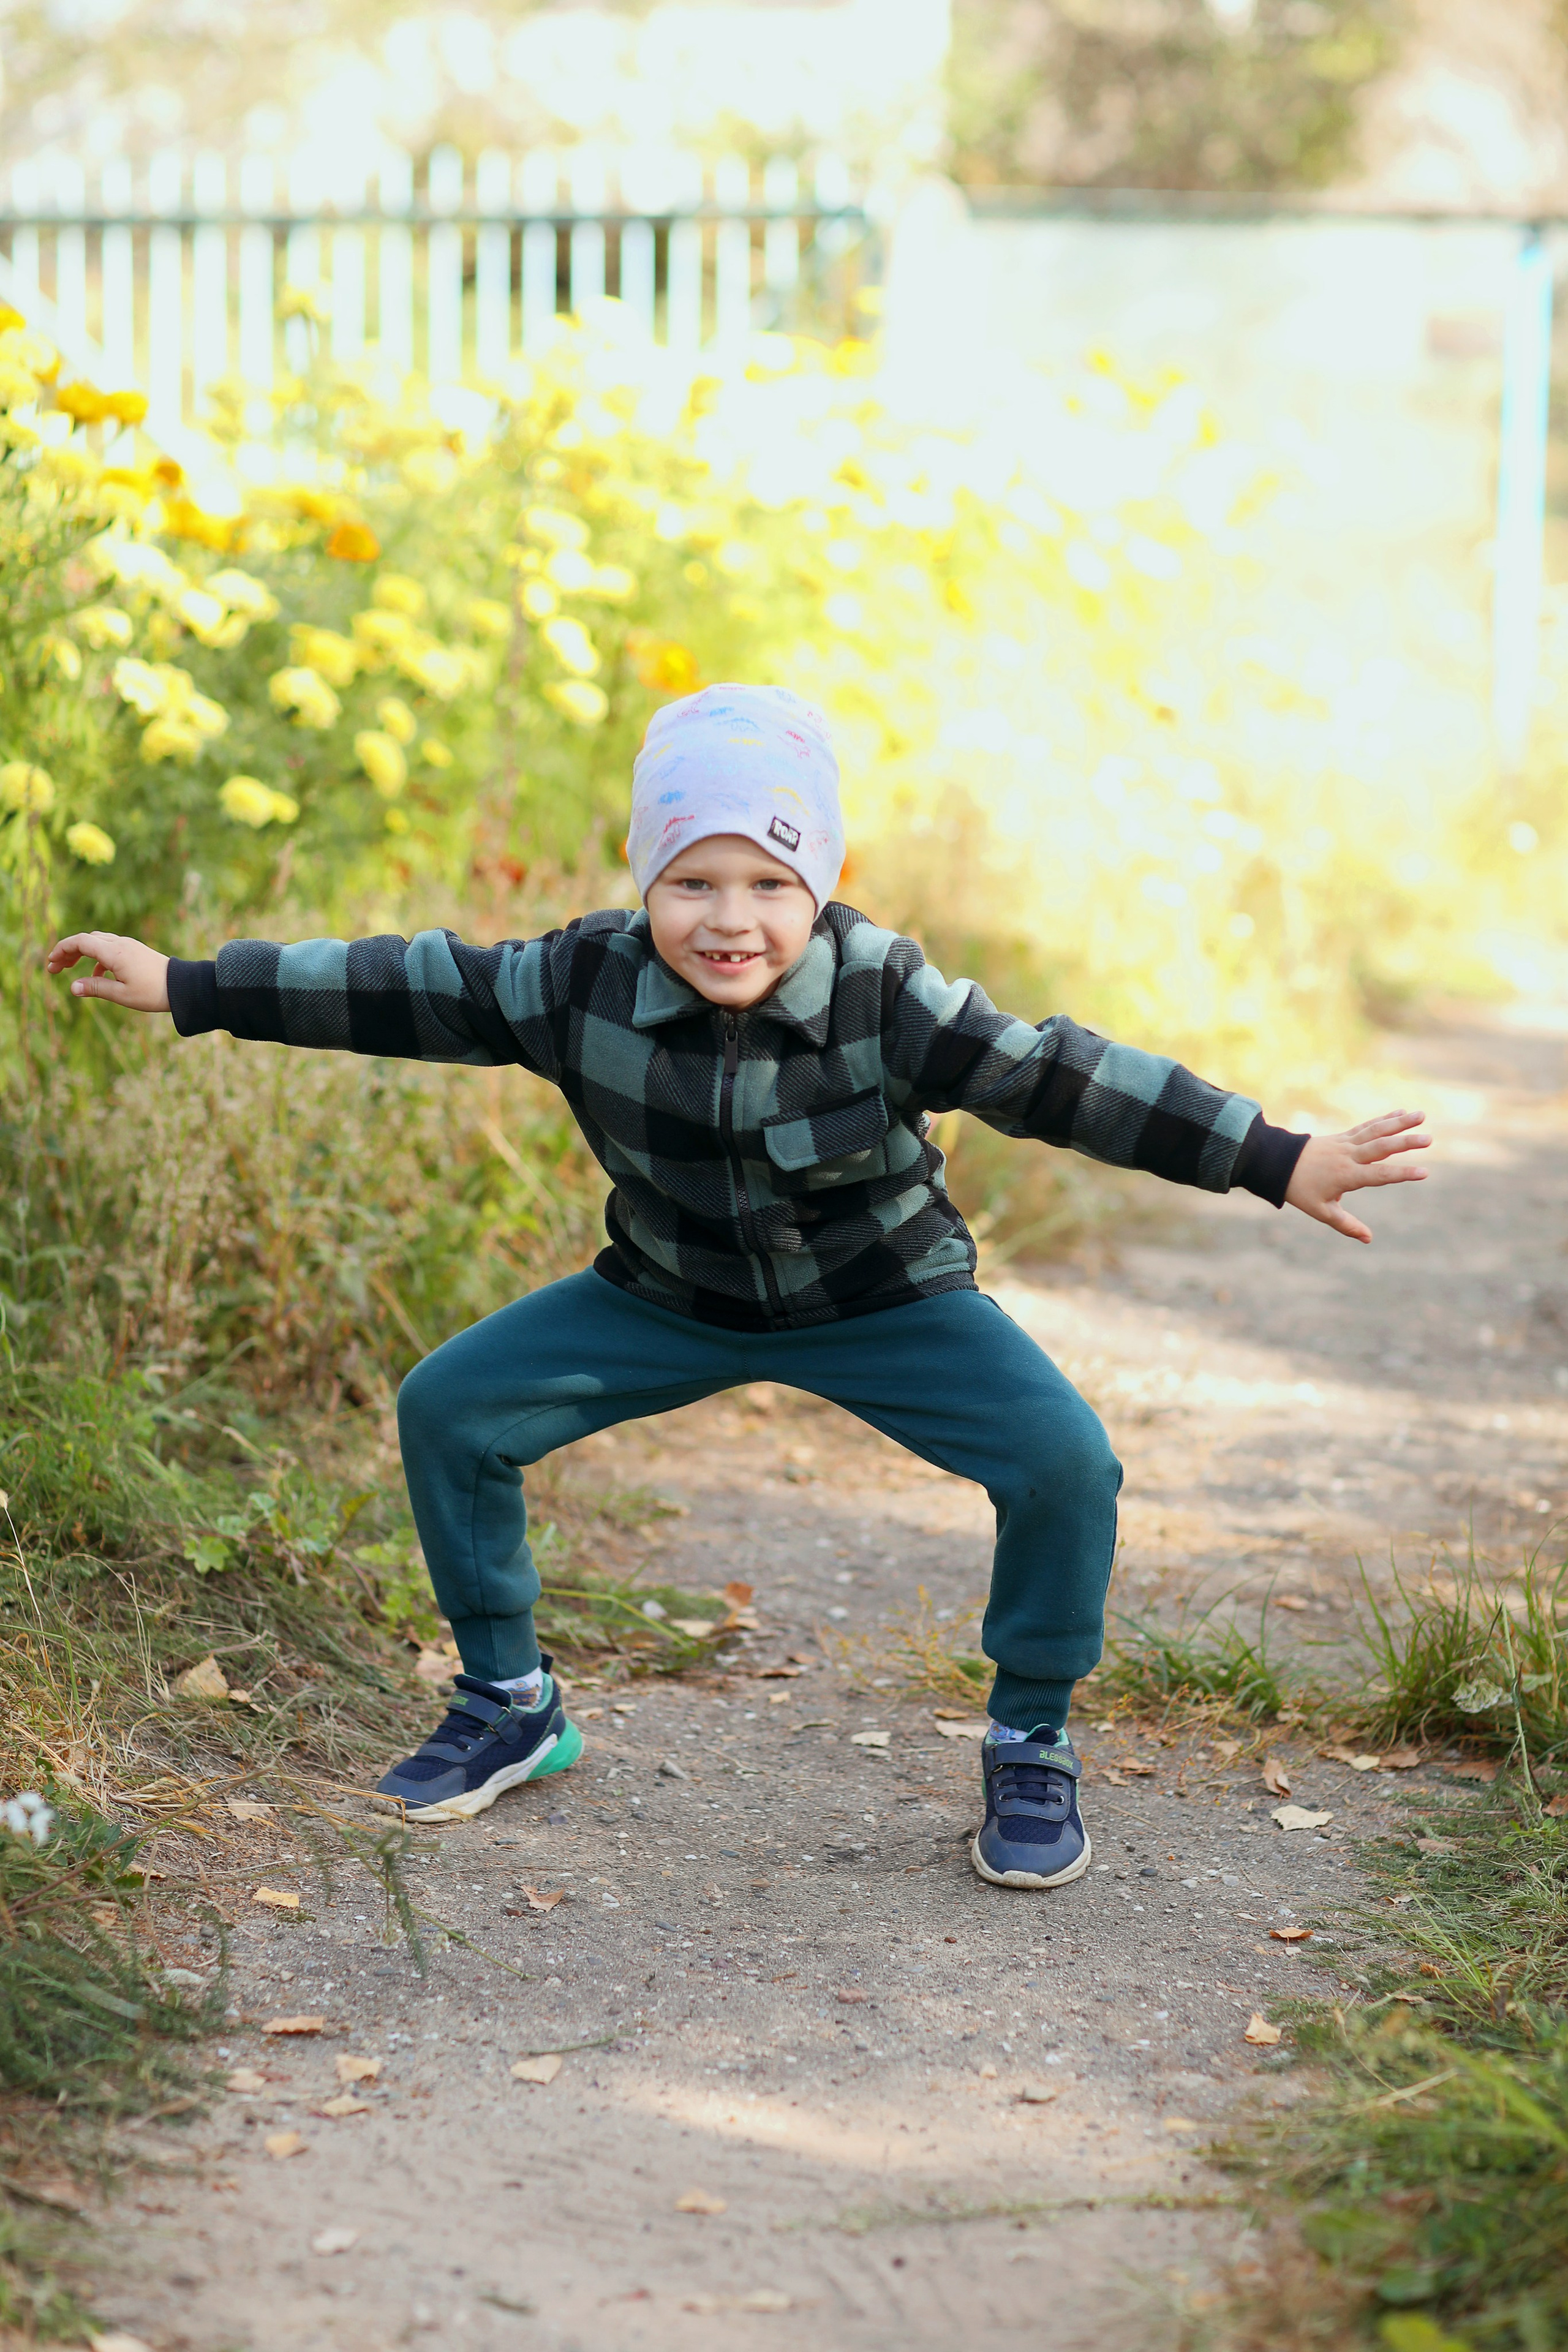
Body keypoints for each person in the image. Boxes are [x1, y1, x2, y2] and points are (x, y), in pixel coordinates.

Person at [46, 682, 1429, 1889]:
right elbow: (409, 988)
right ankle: (510, 1701)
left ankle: (1030, 1740)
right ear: (645, 882)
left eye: (769, 884)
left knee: (1065, 1461)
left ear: (818, 887)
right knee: (451, 1408)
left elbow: (1062, 1077)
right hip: (664, 1298)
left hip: (886, 1302)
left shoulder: (885, 993)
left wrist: (1270, 1154)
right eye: (691, 883)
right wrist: (193, 984)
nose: (729, 920)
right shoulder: (569, 982)